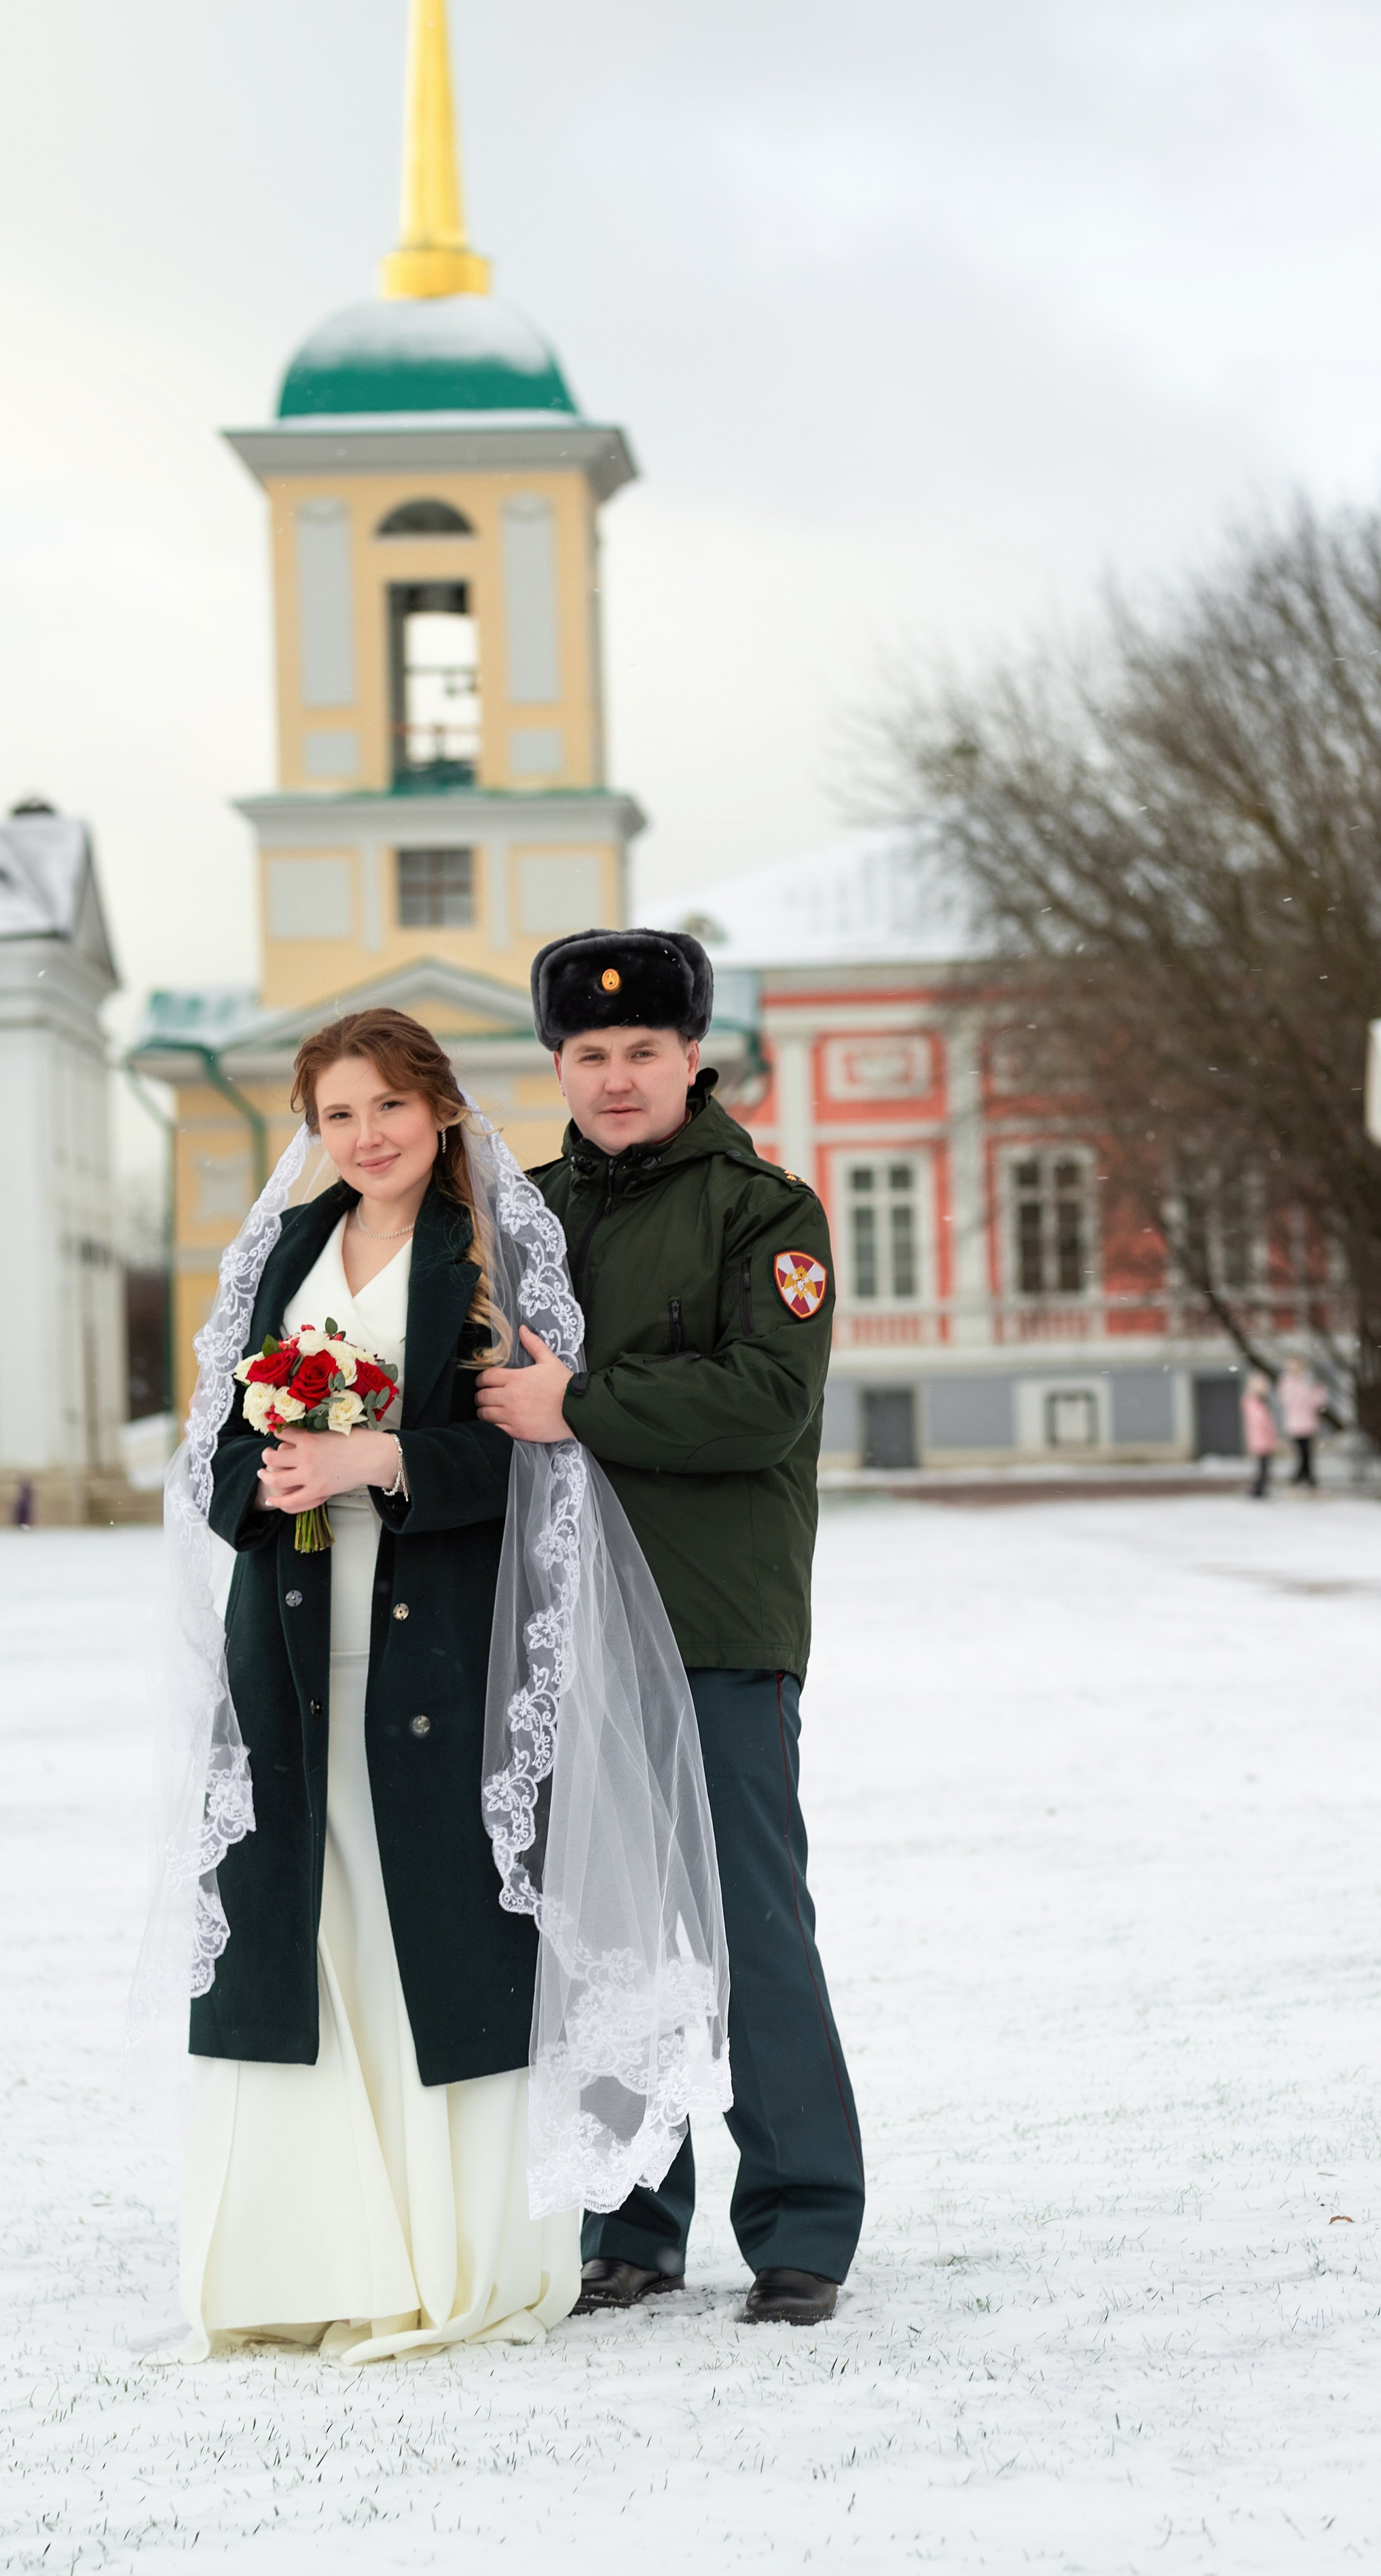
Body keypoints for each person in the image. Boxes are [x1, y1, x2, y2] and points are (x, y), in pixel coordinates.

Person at [149, 1008, 729, 2366]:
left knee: (432, 1937)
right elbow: (214, 1454)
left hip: (441, 1641)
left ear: (439, 1108)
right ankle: (309, 2258)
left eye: (388, 1108)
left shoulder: (494, 1253)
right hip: (292, 1642)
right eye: (338, 1114)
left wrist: (375, 1464)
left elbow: (531, 1457)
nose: (365, 1136)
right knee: (311, 1933)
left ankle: (451, 2263)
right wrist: (276, 1476)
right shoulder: (286, 1249)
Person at [476, 927, 864, 2330]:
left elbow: (766, 1399)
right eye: (590, 1053)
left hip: (710, 1619)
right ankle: (628, 2229)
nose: (617, 1075)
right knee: (601, 1932)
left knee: (748, 1929)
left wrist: (577, 1401)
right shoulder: (517, 1217)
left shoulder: (764, 1213)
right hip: (565, 1628)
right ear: (559, 1065)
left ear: (691, 1056)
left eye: (644, 1050)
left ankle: (801, 2227)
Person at [1278, 1355, 1327, 1490]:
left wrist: (1319, 1390)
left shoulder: (1306, 1383)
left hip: (1309, 1424)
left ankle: (1305, 1479)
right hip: (1295, 1425)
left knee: (1307, 1454)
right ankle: (1302, 1479)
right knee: (1303, 1454)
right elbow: (1293, 1401)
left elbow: (1316, 1402)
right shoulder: (1288, 1383)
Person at [1242, 1367, 1281, 1496]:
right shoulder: (1253, 1404)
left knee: (1264, 1466)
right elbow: (1261, 1422)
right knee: (1263, 1467)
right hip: (1260, 1440)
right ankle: (1258, 1489)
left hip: (1264, 1439)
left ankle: (1260, 1488)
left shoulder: (1260, 1403)